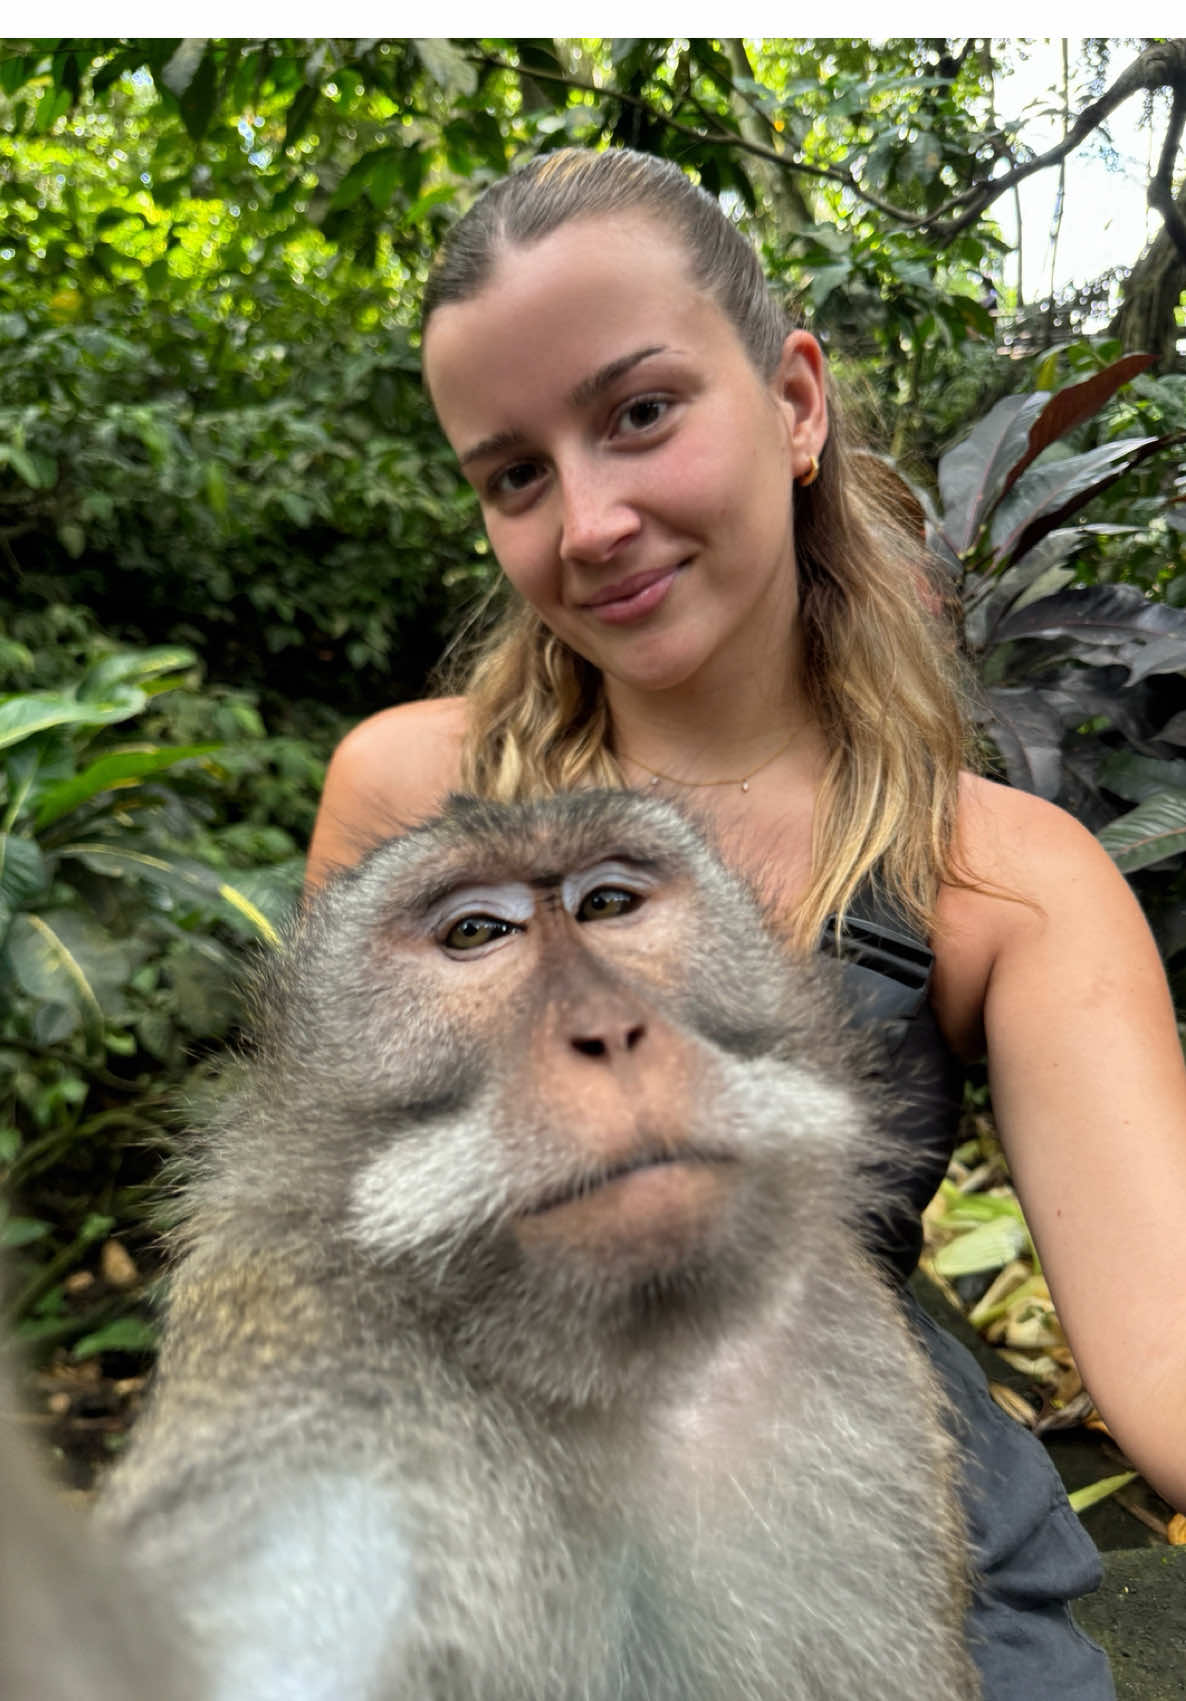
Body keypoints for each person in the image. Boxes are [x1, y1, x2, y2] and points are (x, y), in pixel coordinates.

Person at [307, 146, 1186, 1697]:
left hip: (896, 1573)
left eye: (639, 413)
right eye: (513, 473)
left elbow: (1168, 1358)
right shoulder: (411, 800)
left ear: (792, 402)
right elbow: (333, 1249)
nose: (586, 522)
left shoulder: (1001, 875)